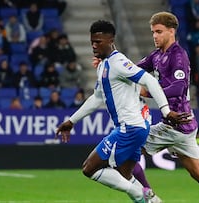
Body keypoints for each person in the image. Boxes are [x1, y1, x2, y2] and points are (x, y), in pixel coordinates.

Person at [56, 20, 190, 203]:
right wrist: (71, 121)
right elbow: (97, 98)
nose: (94, 46)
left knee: (89, 168)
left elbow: (149, 81)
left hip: (130, 128)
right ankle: (151, 199)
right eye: (92, 42)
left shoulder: (118, 62)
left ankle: (139, 193)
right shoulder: (104, 65)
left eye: (99, 42)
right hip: (137, 127)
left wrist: (166, 111)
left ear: (110, 40)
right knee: (125, 176)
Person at [135, 12, 199, 203]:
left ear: (171, 32)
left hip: (175, 126)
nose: (154, 36)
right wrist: (110, 66)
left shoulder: (178, 56)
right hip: (183, 125)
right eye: (152, 32)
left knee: (125, 149)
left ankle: (149, 197)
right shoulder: (157, 56)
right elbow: (132, 70)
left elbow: (178, 88)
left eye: (158, 31)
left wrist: (146, 93)